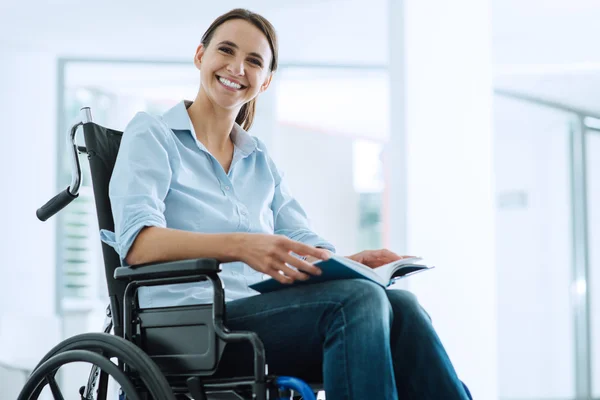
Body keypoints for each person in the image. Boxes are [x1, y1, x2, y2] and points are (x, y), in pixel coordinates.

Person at [100, 8, 472, 400]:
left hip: (261, 319)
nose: (237, 67)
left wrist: (347, 265)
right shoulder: (153, 134)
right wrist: (241, 245)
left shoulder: (259, 161)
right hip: (190, 328)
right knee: (358, 303)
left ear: (265, 82)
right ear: (200, 56)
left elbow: (301, 238)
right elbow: (138, 244)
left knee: (402, 306)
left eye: (254, 61)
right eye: (226, 50)